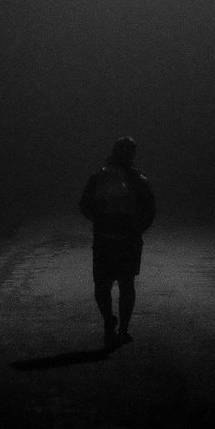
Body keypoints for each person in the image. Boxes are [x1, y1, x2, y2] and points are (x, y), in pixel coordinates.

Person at [79, 135, 156, 349]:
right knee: (126, 284)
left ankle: (108, 320)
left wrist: (101, 222)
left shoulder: (98, 177)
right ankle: (123, 329)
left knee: (102, 285)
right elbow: (150, 210)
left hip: (103, 240)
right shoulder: (138, 180)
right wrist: (137, 228)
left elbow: (84, 205)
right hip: (128, 241)